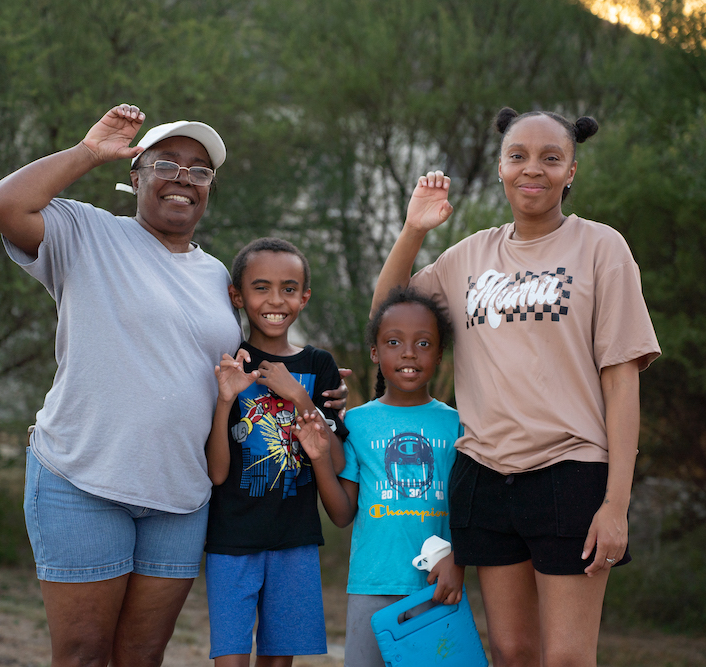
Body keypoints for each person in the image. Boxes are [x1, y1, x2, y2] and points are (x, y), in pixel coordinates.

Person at [0, 105, 346, 667]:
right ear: (135, 175)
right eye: (166, 164)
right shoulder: (87, 232)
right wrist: (89, 151)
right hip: (83, 479)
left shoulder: (219, 276)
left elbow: (251, 363)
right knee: (82, 653)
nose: (183, 178)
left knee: (143, 655)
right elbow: (2, 204)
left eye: (199, 171)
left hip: (180, 496)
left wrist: (318, 386)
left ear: (210, 189)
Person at [369, 107, 661, 667]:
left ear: (571, 170)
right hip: (483, 475)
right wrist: (413, 231)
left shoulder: (602, 248)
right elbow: (389, 313)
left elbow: (622, 381)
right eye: (518, 156)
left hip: (571, 473)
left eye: (551, 158)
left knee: (568, 658)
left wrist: (616, 505)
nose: (534, 170)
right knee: (512, 651)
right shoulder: (469, 256)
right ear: (501, 168)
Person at [203, 237, 349, 667]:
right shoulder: (230, 362)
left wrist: (298, 398)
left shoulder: (319, 364)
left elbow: (336, 461)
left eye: (289, 289)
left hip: (294, 541)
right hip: (231, 541)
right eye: (260, 287)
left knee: (279, 662)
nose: (275, 300)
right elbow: (216, 474)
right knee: (230, 660)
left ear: (304, 297)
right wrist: (226, 400)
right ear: (237, 295)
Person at [320, 286, 466, 667]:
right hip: (372, 585)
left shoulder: (457, 425)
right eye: (393, 342)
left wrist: (460, 561)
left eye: (423, 343)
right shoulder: (357, 423)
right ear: (375, 352)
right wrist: (319, 456)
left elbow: (471, 506)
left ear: (439, 353)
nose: (408, 353)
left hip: (437, 588)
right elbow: (341, 514)